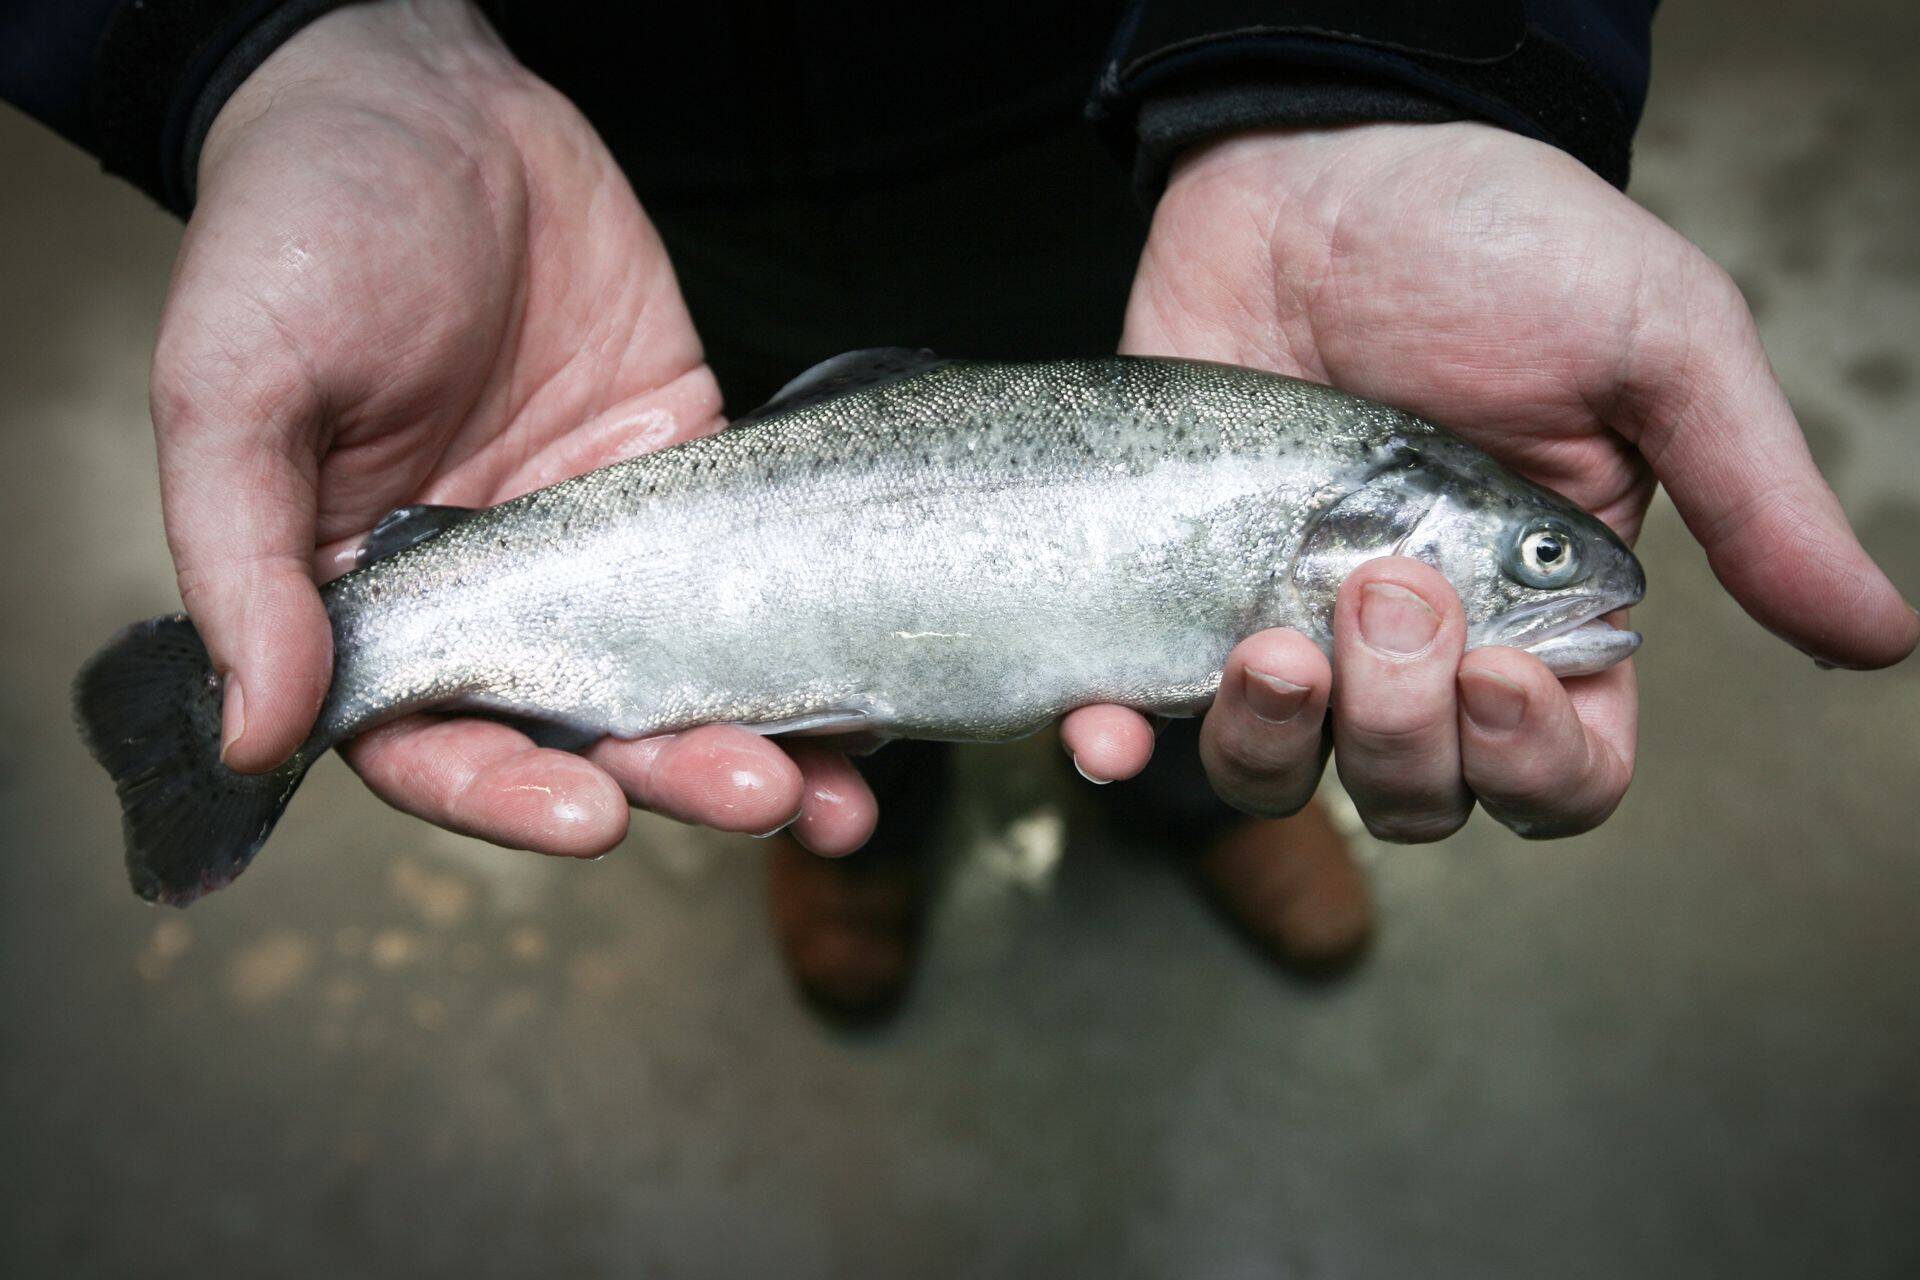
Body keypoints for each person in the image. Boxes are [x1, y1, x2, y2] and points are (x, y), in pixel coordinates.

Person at [5, 1, 1913, 1022]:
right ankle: (857, 844)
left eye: (1522, 566)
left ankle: (1183, 811)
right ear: (1390, 521)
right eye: (1521, 562)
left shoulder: (1292, 388)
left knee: (1223, 705)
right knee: (856, 739)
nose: (1563, 586)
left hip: (1120, 131)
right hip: (585, 189)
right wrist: (255, 32)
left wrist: (1377, 44)